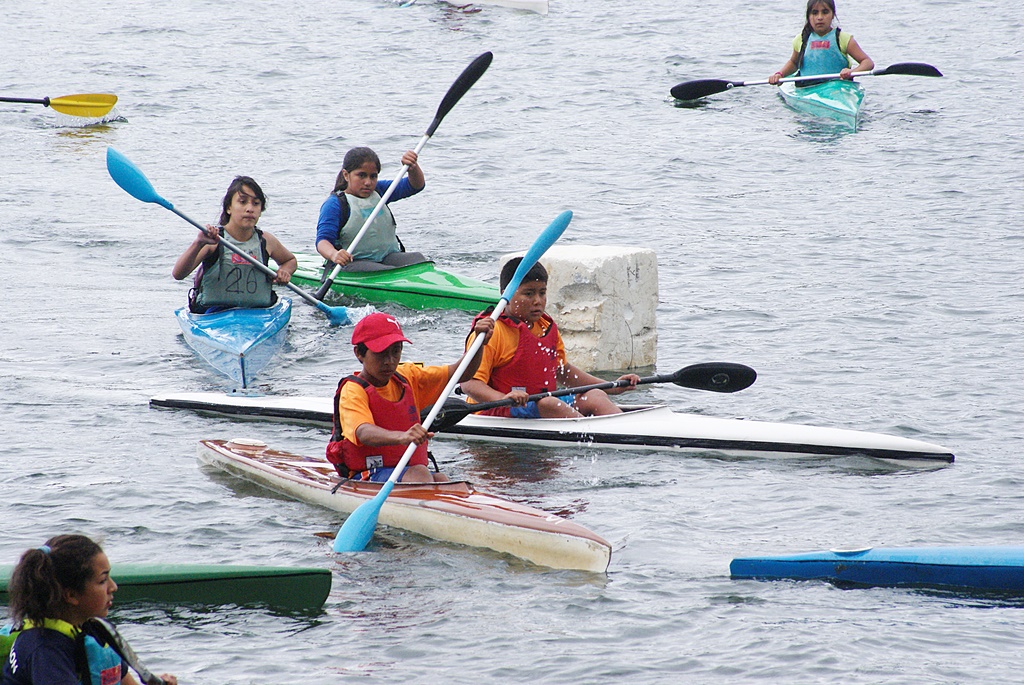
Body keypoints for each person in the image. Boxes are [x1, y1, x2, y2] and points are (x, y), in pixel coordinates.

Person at [460, 258, 640, 418]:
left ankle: (624, 431)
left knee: (595, 395)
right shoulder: (491, 333)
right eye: (528, 294)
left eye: (542, 293)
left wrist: (612, 386)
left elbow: (562, 372)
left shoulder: (545, 326)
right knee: (550, 403)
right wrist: (504, 398)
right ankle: (591, 434)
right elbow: (469, 384)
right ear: (505, 294)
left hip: (541, 403)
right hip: (497, 408)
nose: (537, 301)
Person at [326, 312, 494, 483]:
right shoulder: (353, 390)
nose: (389, 361)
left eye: (395, 351)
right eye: (381, 353)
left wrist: (479, 342)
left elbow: (461, 373)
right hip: (365, 474)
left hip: (407, 472)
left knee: (441, 478)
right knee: (420, 473)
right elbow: (363, 432)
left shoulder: (407, 376)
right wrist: (403, 436)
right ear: (359, 353)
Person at [0, 535, 177, 685]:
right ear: (71, 595)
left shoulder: (96, 630)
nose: (113, 587)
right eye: (102, 581)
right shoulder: (45, 651)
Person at [172, 175, 297, 314]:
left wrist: (284, 272)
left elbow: (290, 260)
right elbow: (178, 274)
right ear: (228, 208)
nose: (250, 209)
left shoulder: (266, 240)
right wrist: (198, 243)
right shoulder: (213, 241)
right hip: (215, 313)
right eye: (243, 202)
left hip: (259, 313)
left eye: (256, 203)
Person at [315, 147, 428, 274]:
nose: (368, 182)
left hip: (387, 257)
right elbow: (322, 241)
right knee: (385, 272)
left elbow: (415, 186)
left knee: (419, 259)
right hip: (352, 262)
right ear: (346, 175)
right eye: (361, 175)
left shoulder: (380, 191)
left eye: (373, 176)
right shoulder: (335, 204)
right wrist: (334, 254)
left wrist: (413, 168)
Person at [767, 0, 873, 86]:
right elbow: (794, 63)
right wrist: (780, 74)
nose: (820, 17)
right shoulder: (801, 39)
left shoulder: (843, 39)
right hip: (807, 88)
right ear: (808, 16)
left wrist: (852, 72)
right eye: (814, 13)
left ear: (832, 15)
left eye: (825, 12)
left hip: (838, 87)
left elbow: (868, 62)